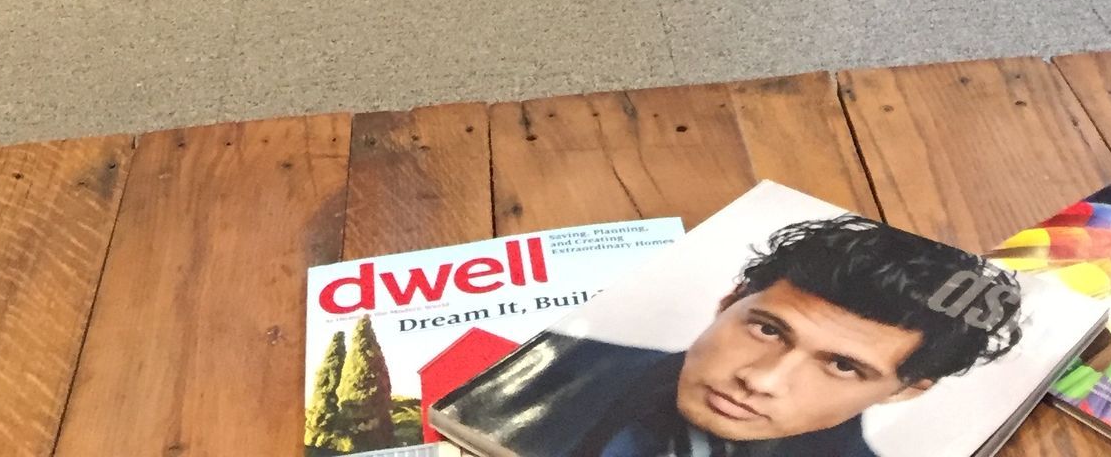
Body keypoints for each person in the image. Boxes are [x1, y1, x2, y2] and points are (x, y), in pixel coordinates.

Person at [433, 214, 1022, 457]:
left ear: (906, 391)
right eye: (767, 329)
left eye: (843, 366)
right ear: (729, 302)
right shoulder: (551, 362)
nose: (760, 380)